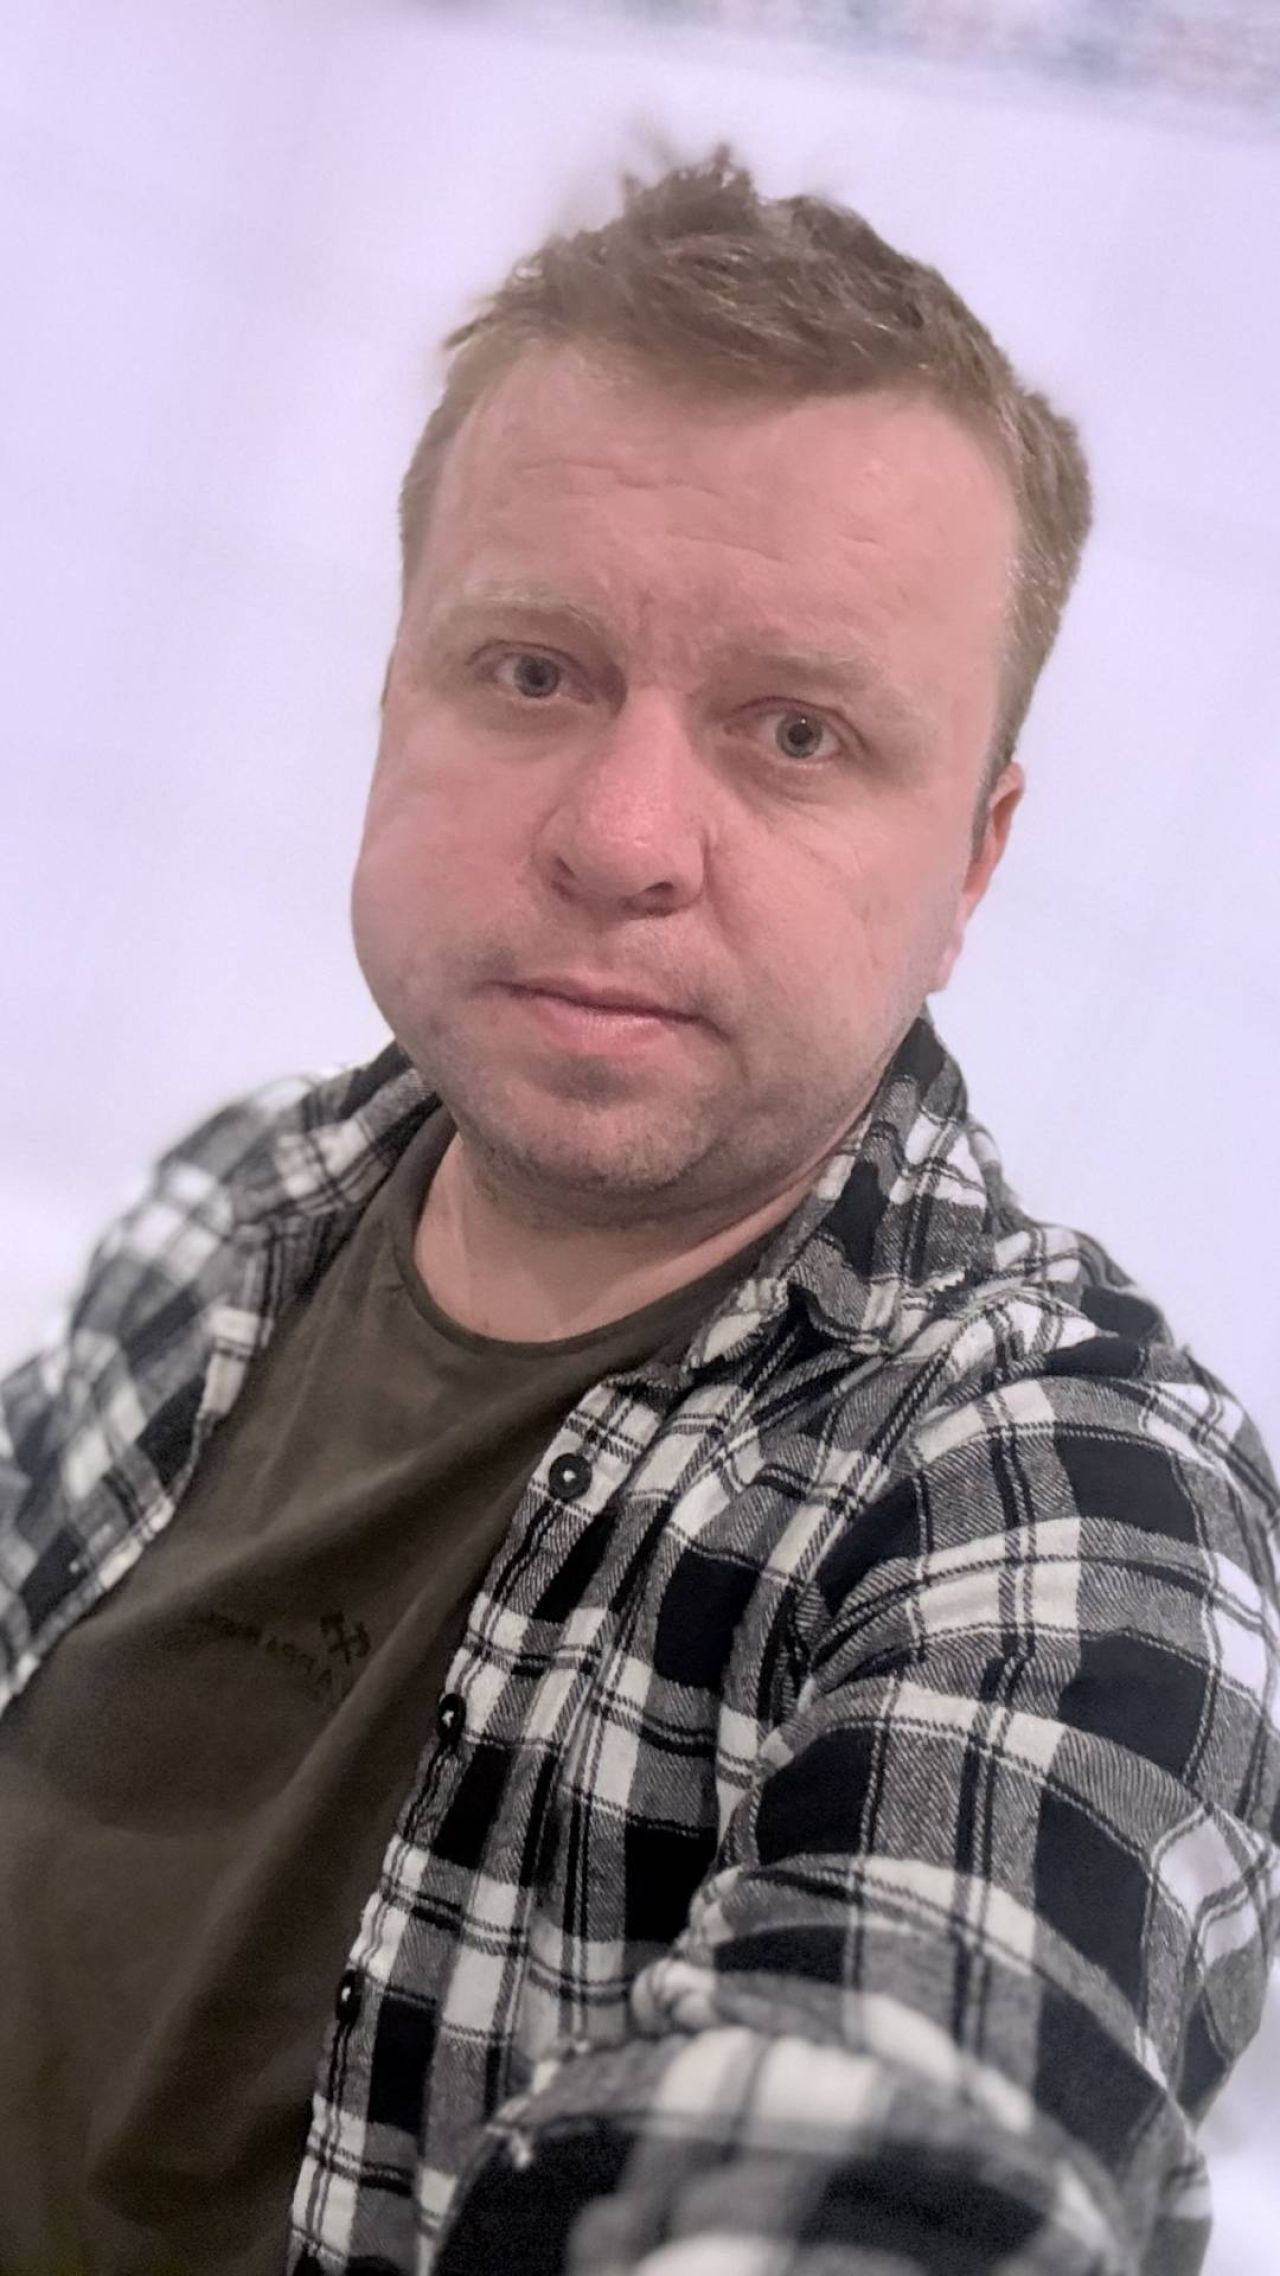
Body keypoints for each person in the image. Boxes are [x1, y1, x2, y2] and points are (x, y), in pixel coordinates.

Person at [0, 148, 1275, 2276]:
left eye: (797, 731)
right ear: (394, 692)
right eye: (532, 672)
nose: (619, 836)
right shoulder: (227, 1199)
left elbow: (895, 2156)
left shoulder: (1066, 1495)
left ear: (970, 863)